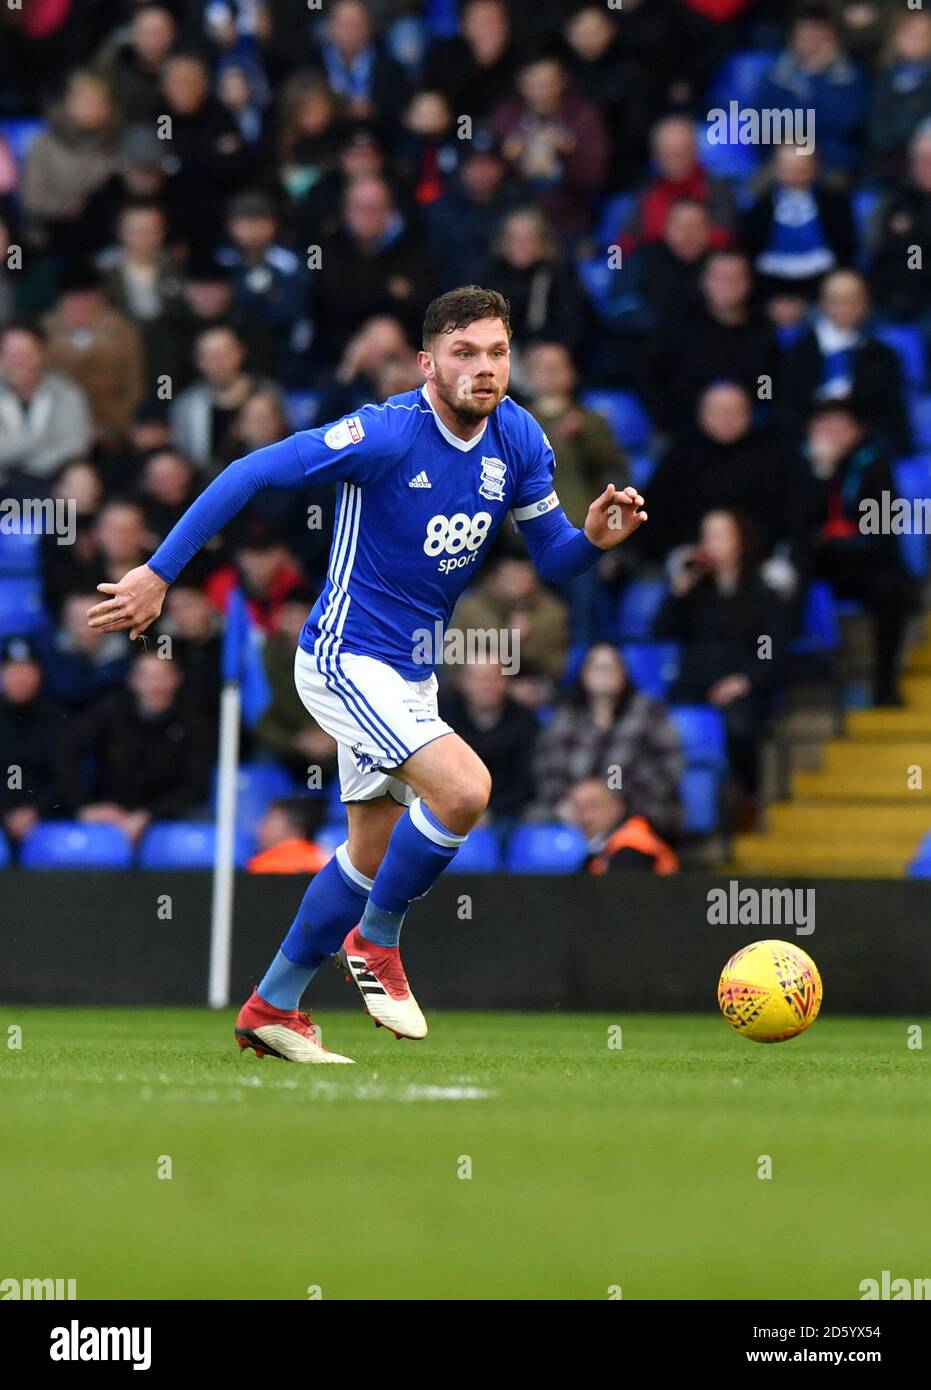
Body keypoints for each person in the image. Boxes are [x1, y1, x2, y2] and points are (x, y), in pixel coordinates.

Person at [87, 284, 647, 1064]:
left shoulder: (518, 436)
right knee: (464, 790)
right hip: (346, 658)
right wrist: (158, 570)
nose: (484, 369)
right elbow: (251, 472)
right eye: (464, 353)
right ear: (428, 363)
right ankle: (376, 942)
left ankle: (271, 1005)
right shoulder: (385, 432)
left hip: (409, 675)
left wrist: (591, 538)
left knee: (371, 853)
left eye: (497, 352)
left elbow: (552, 556)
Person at [653, 509, 789, 822]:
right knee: (663, 726)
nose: (709, 544)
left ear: (740, 541)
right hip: (693, 685)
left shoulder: (763, 593)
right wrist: (678, 592)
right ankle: (671, 808)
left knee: (738, 727)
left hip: (742, 688)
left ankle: (745, 796)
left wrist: (744, 681)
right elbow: (659, 632)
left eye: (719, 536)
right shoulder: (694, 591)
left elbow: (773, 652)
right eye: (706, 536)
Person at [529, 644, 682, 843]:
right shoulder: (565, 717)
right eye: (597, 667)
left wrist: (616, 802)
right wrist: (573, 802)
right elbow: (547, 768)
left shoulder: (649, 713)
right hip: (572, 812)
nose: (604, 674)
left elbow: (669, 768)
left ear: (623, 674)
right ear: (584, 674)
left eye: (610, 668)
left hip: (637, 810)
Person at [0, 637, 71, 848]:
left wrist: (35, 811)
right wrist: (5, 813)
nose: (19, 678)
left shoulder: (56, 718)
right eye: (12, 671)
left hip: (46, 818)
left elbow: (64, 776)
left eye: (26, 670)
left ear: (38, 674)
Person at [566, 778, 679, 877]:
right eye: (577, 807)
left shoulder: (632, 848)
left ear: (617, 806)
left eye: (594, 805)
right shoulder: (591, 848)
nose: (585, 816)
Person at [247, 798, 331, 875]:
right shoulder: (326, 862)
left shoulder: (261, 866)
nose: (260, 827)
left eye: (269, 821)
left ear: (295, 830)